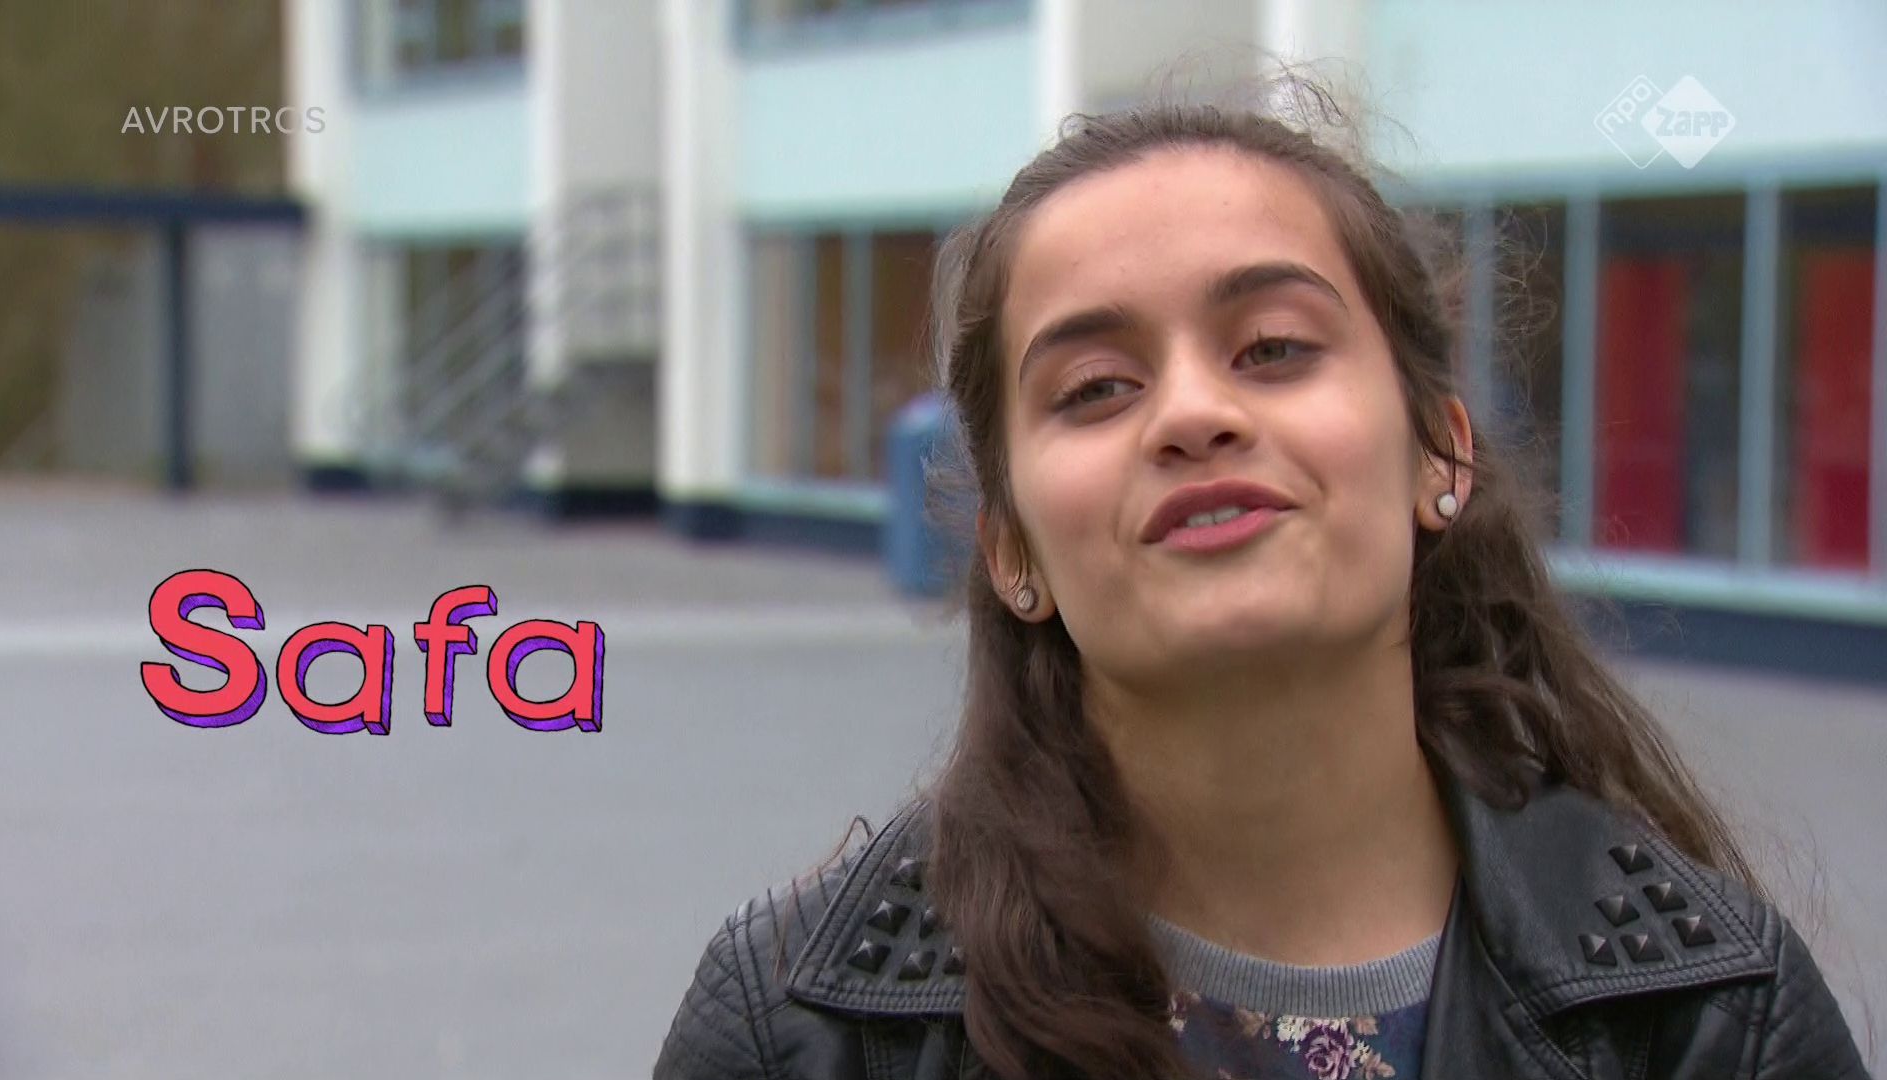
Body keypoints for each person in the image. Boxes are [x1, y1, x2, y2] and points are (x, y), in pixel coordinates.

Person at [651, 82, 1872, 1079]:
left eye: (1274, 348)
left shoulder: (1705, 1020)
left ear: (1440, 454)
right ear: (1013, 551)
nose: (1192, 412)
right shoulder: (806, 1036)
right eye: (1096, 388)